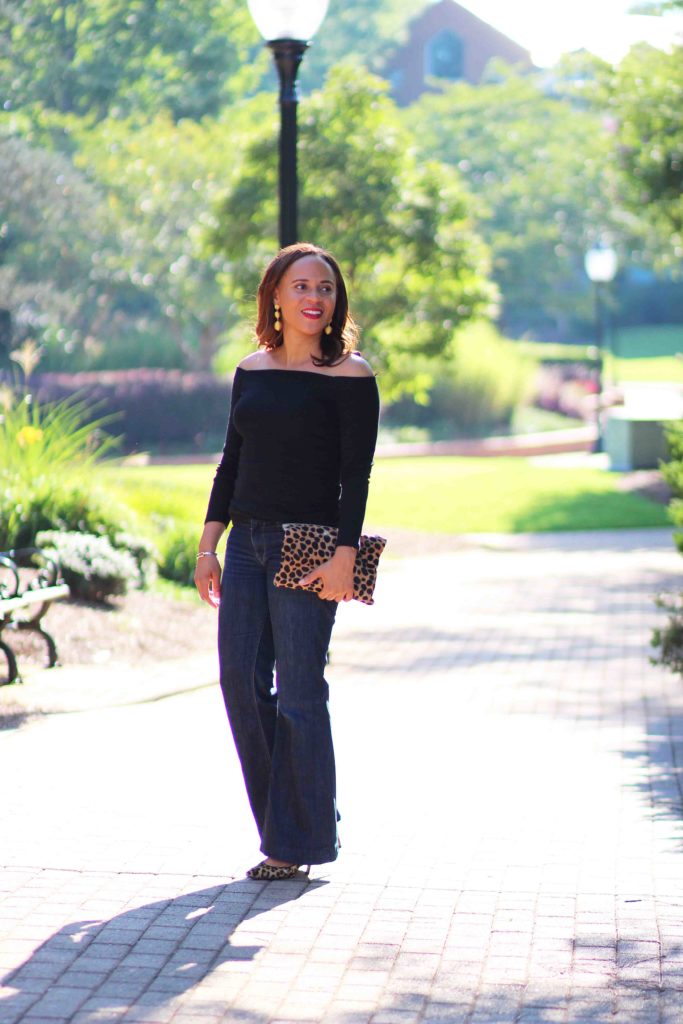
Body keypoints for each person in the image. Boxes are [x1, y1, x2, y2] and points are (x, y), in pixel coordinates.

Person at [195, 242, 380, 881]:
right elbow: (231, 460)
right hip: (245, 545)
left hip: (310, 546)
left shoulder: (351, 376)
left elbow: (356, 476)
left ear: (336, 303)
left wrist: (343, 558)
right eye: (301, 286)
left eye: (325, 288)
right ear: (276, 294)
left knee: (299, 693)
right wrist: (208, 545)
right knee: (241, 684)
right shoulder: (251, 369)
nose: (313, 297)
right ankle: (296, 821)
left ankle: (291, 844)